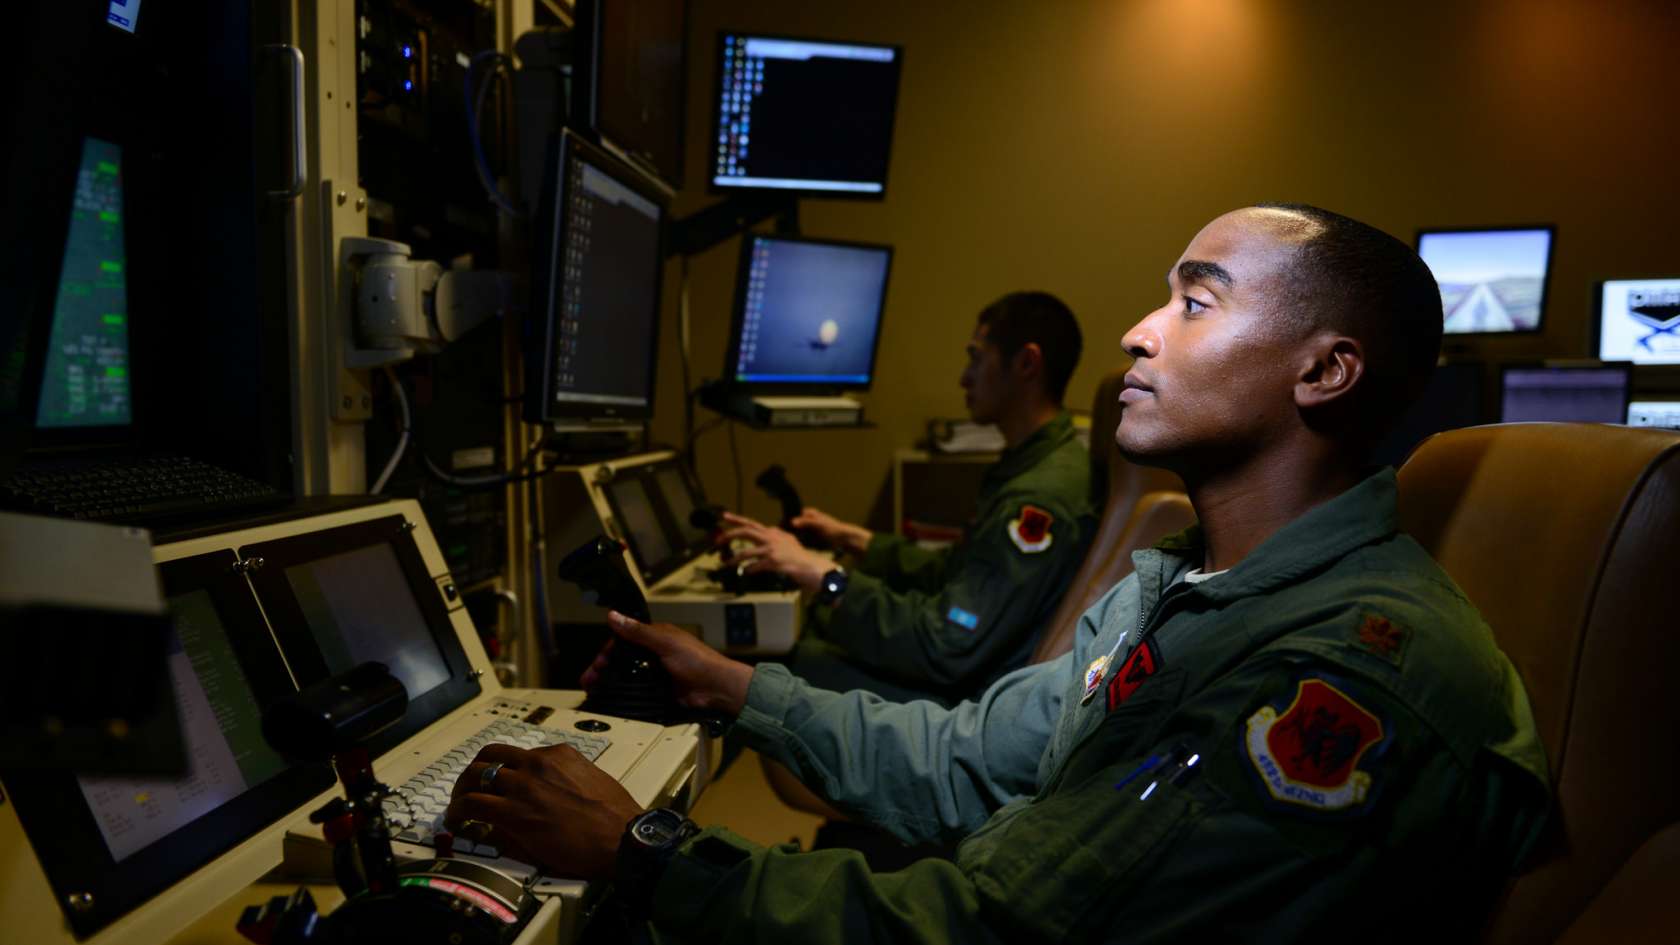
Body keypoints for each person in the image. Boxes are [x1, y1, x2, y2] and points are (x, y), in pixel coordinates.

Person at [446, 205, 1551, 942]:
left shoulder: (1336, 679)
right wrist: (736, 687)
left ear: (1325, 369)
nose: (1136, 331)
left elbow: (991, 929)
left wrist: (648, 852)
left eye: (1194, 302)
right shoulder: (1180, 585)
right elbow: (969, 756)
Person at [719, 291, 1097, 705]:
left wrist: (826, 579)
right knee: (807, 638)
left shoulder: (1040, 499)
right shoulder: (1037, 464)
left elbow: (948, 642)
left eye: (976, 358)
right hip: (970, 672)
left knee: (785, 666)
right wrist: (855, 540)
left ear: (1026, 363)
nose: (964, 378)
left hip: (968, 708)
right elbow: (957, 572)